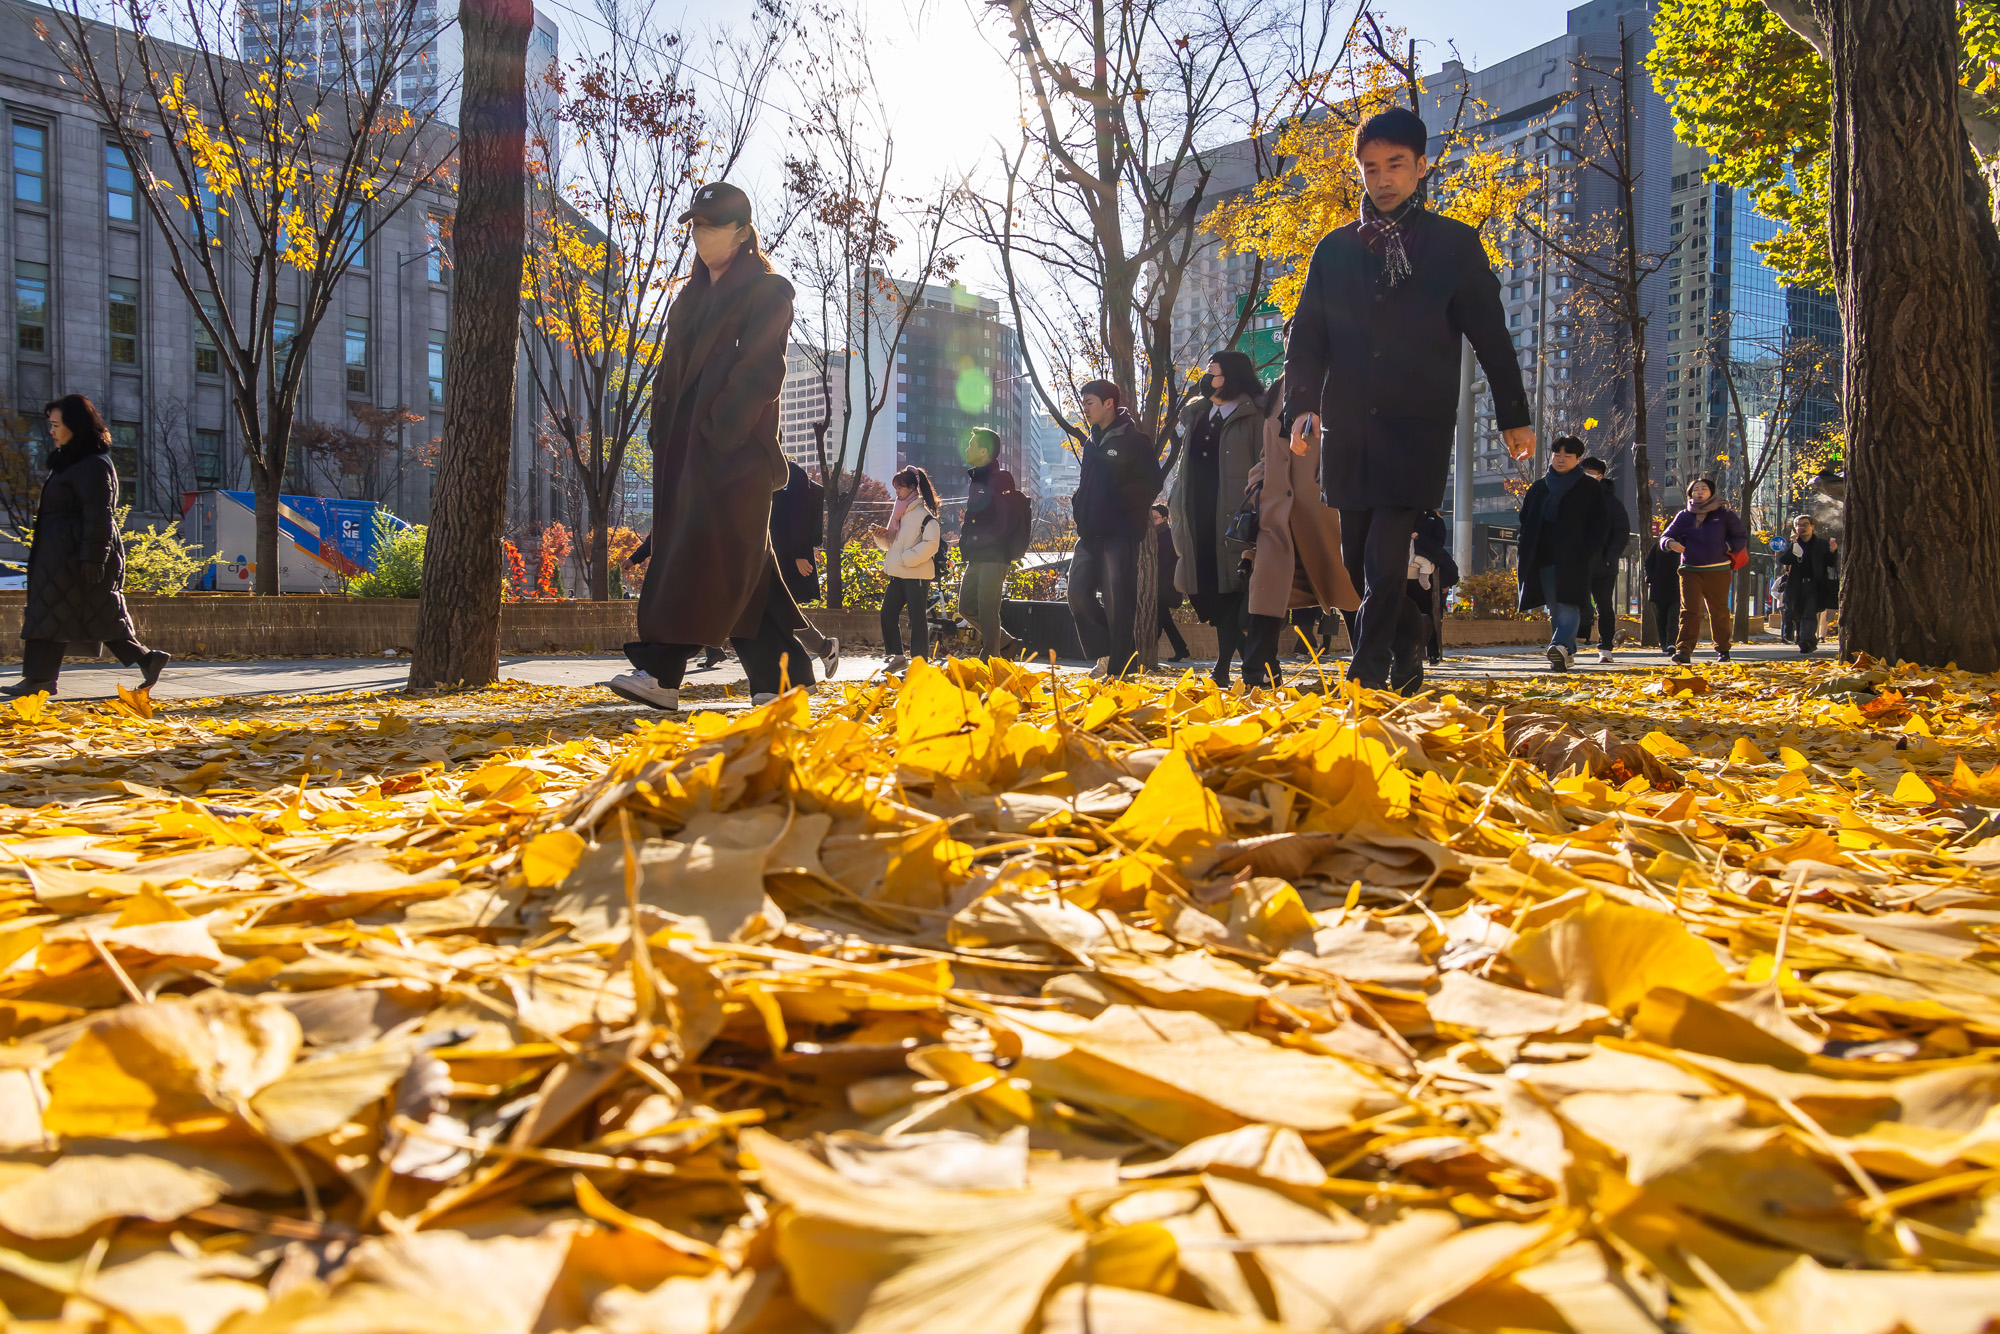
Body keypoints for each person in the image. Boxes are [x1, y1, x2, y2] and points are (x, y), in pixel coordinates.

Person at [1284, 106, 1534, 692]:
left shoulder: (1454, 245)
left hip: (1416, 424)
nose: (1383, 178)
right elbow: (1308, 337)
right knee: (1354, 561)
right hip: (1348, 424)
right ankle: (1411, 636)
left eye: (1396, 164)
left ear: (1421, 167)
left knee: (1384, 554)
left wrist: (1513, 417)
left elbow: (1492, 336)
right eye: (1370, 168)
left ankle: (1366, 674)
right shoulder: (1334, 249)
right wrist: (1301, 406)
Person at [607, 182, 815, 711]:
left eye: (712, 226)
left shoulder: (768, 291)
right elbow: (669, 374)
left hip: (733, 453)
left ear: (742, 232)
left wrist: (721, 433)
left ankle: (661, 671)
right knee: (742, 565)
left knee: (694, 558)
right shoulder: (690, 297)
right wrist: (661, 433)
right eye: (695, 226)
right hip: (683, 453)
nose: (699, 236)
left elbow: (761, 370)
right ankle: (781, 679)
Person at [5, 395, 169, 699]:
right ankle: (147, 659)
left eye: (56, 425)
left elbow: (99, 514)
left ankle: (38, 680)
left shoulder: (92, 465)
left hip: (79, 556)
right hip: (61, 555)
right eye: (50, 425)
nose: (51, 431)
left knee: (60, 612)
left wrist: (93, 558)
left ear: (75, 425)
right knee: (84, 614)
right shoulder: (71, 463)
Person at [1241, 368, 1358, 688]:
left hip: (1323, 507)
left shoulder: (1336, 380)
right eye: (1290, 337)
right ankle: (1256, 672)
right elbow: (1269, 451)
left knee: (1348, 589)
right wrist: (1257, 486)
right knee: (1266, 591)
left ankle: (1368, 664)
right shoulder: (1279, 387)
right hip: (1276, 510)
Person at [1167, 351, 1265, 688]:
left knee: (1233, 592)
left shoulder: (1255, 415)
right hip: (1197, 516)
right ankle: (1256, 663)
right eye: (1207, 374)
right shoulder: (1197, 413)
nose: (1208, 380)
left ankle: (1225, 666)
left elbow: (1262, 467)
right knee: (1208, 592)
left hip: (1235, 516)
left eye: (1216, 374)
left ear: (1233, 377)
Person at [1068, 380, 1159, 678]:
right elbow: (1087, 486)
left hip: (1119, 533)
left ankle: (1119, 670)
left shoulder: (1135, 440)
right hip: (1089, 533)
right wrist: (1079, 504)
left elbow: (1151, 484)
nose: (1085, 408)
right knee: (1077, 593)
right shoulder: (1091, 442)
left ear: (1109, 403)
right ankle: (1108, 653)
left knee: (1118, 604)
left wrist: (1116, 500)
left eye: (1090, 402)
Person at [1515, 437, 1609, 673]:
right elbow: (1525, 520)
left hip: (1575, 557)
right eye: (1557, 455)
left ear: (1578, 460)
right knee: (1555, 607)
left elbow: (1600, 523)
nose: (1561, 460)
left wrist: (1588, 551)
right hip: (1543, 556)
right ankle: (1566, 653)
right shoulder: (1539, 487)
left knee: (1569, 602)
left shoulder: (1589, 487)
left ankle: (1559, 645)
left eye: (1567, 456)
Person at [1660, 477, 1750, 665]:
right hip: (1690, 570)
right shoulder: (1684, 515)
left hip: (1718, 570)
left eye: (1704, 489)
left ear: (1711, 492)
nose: (1699, 493)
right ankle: (1684, 651)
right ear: (1690, 494)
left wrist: (1726, 546)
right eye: (1695, 490)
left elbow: (1741, 537)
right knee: (1689, 611)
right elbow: (1665, 536)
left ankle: (1723, 649)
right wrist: (1670, 543)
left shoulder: (1724, 514)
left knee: (1719, 611)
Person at [957, 428, 1027, 660]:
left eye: (971, 444)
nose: (967, 449)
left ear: (984, 451)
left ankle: (990, 660)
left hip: (994, 555)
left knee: (988, 609)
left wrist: (988, 541)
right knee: (966, 607)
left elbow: (1006, 519)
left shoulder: (1001, 478)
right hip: (976, 555)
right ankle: (1006, 643)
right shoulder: (977, 479)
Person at [875, 465, 941, 672]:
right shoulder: (899, 513)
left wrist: (905, 558)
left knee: (917, 618)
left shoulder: (924, 515)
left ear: (913, 488)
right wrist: (880, 536)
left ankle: (919, 661)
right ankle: (897, 656)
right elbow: (890, 544)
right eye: (896, 489)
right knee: (887, 614)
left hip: (916, 575)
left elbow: (931, 544)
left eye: (900, 488)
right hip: (897, 574)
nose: (897, 493)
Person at [1575, 456, 1630, 663]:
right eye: (1583, 474)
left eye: (1590, 474)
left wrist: (1611, 556)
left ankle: (1605, 648)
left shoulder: (1612, 503)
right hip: (1577, 563)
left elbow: (1622, 531)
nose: (1586, 478)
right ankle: (1567, 645)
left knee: (1604, 606)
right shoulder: (1572, 497)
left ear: (1600, 476)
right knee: (1574, 603)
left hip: (1603, 565)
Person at [1777, 512, 1838, 653]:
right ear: (1795, 528)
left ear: (1812, 527)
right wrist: (1793, 544)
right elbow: (1784, 560)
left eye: (1805, 524)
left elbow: (1831, 563)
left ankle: (1806, 641)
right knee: (1797, 612)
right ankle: (1807, 640)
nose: (1802, 527)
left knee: (1809, 613)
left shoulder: (1821, 544)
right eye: (1798, 525)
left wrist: (1833, 551)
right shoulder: (1793, 543)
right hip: (1796, 586)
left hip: (1815, 585)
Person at [1150, 504, 1190, 663]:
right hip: (1160, 584)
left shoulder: (1167, 535)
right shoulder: (1157, 534)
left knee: (1160, 619)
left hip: (1164, 584)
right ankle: (1181, 649)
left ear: (1165, 519)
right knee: (1163, 618)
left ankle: (1142, 652)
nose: (1152, 521)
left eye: (1155, 518)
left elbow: (1166, 562)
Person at [1643, 539, 1681, 658]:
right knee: (1661, 617)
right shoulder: (1658, 546)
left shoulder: (1682, 546)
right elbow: (1648, 563)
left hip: (1677, 587)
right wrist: (1650, 577)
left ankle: (1671, 644)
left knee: (1673, 617)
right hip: (1659, 587)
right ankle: (1664, 643)